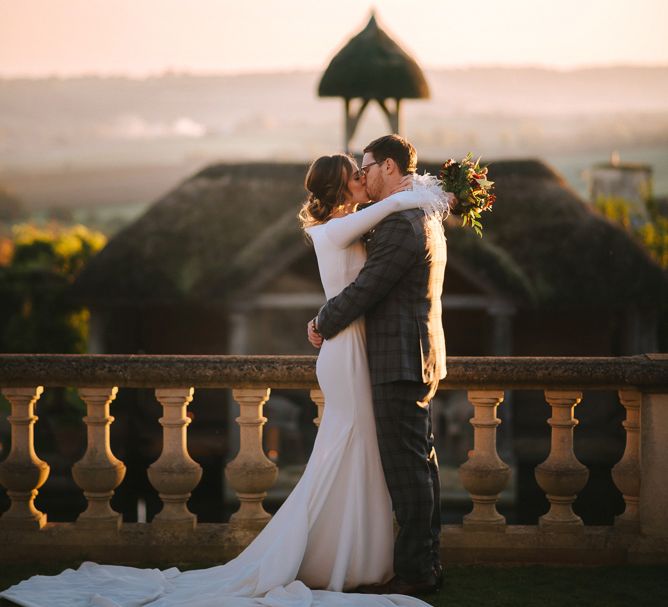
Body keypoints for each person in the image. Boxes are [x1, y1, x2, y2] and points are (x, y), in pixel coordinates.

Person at [0, 152, 449, 607]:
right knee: (344, 445)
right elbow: (387, 214)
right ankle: (330, 555)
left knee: (357, 449)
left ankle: (358, 555)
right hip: (343, 352)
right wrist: (422, 193)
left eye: (365, 170)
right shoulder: (333, 229)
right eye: (356, 174)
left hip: (356, 350)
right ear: (338, 188)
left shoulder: (354, 225)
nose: (362, 179)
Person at [308, 135, 448, 595]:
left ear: (388, 166)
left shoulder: (401, 222)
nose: (362, 176)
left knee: (408, 470)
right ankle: (422, 562)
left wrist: (322, 320)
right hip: (414, 355)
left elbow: (368, 288)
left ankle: (415, 573)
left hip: (398, 358)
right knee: (419, 465)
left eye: (365, 167)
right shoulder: (420, 213)